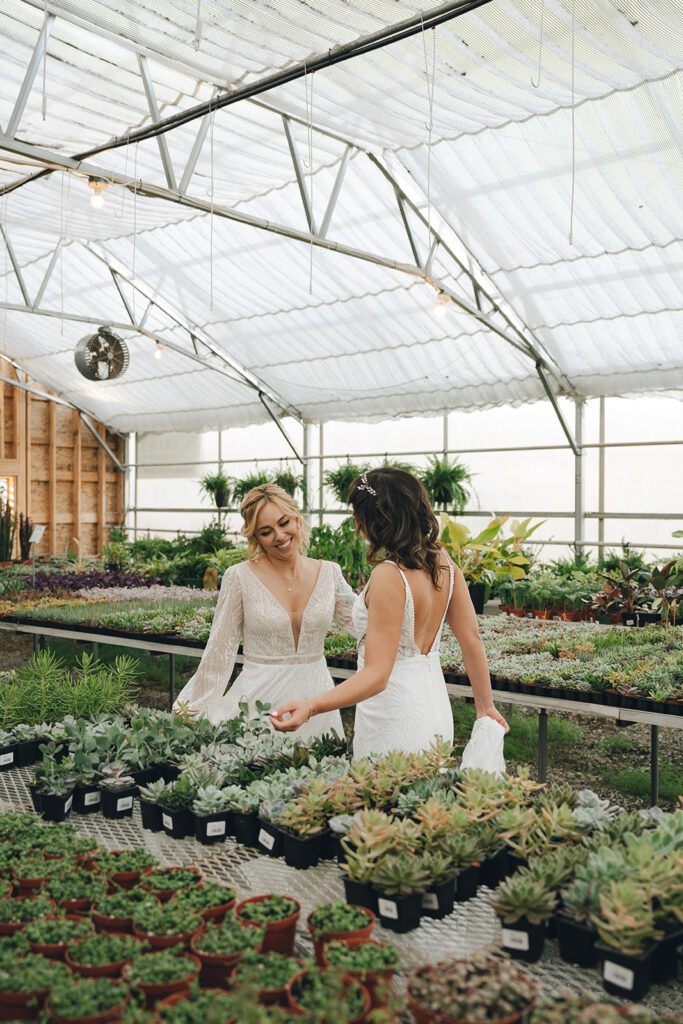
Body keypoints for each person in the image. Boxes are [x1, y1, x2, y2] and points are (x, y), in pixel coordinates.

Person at [271, 467, 509, 757]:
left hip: (392, 715)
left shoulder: (389, 576)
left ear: (375, 520)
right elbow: (472, 638)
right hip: (435, 709)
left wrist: (311, 706)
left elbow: (377, 675)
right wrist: (485, 706)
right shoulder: (444, 563)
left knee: (381, 797)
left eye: (357, 514)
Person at [173, 483, 355, 739]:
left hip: (316, 702)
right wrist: (190, 712)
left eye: (284, 523)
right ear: (255, 537)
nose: (280, 536)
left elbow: (364, 625)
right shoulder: (239, 577)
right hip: (259, 704)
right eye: (266, 531)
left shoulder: (330, 573)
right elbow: (219, 651)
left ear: (296, 517)